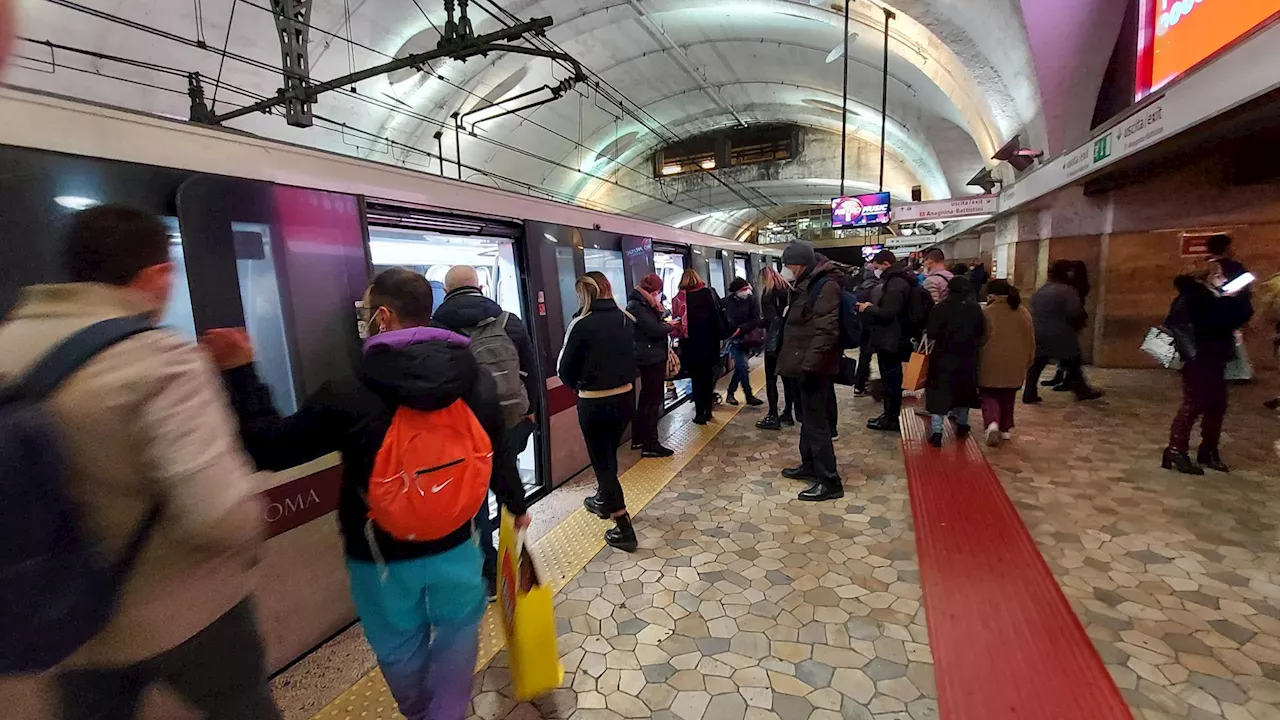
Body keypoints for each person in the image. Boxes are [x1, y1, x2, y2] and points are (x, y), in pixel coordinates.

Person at [211, 267, 530, 720]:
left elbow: (270, 448)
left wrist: (241, 371)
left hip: (379, 555)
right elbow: (496, 449)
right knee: (460, 628)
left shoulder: (349, 390)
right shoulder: (474, 380)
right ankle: (448, 710)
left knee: (399, 645)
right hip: (459, 540)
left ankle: (423, 712)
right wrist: (515, 505)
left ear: (382, 316)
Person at [0, 206, 277, 720]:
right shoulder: (159, 358)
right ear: (156, 274)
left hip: (64, 621)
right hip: (189, 612)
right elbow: (220, 516)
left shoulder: (9, 346)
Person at [430, 264, 539, 599]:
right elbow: (531, 370)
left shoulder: (433, 328)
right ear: (479, 287)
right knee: (505, 477)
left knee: (473, 497)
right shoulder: (509, 321)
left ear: (446, 293)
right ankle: (510, 552)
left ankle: (487, 568)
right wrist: (531, 413)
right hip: (507, 421)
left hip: (461, 432)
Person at [558, 272, 639, 551]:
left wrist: (580, 385)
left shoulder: (580, 323)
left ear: (584, 294)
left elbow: (563, 369)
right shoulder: (627, 319)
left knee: (601, 461)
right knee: (609, 453)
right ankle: (605, 498)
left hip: (594, 401)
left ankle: (623, 525)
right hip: (626, 398)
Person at [1162, 261, 1254, 475]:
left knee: (1216, 404)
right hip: (1200, 357)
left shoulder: (1208, 295)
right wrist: (1235, 299)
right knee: (1194, 404)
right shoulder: (1197, 296)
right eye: (1219, 273)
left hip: (1212, 357)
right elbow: (1224, 320)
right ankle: (1176, 449)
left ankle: (1208, 450)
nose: (1222, 277)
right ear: (1207, 275)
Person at [776, 241, 845, 502]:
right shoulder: (808, 284)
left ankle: (829, 480)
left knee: (817, 424)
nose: (786, 270)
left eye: (788, 265)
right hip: (803, 364)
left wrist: (809, 365)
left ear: (800, 264)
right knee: (807, 419)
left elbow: (826, 331)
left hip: (814, 367)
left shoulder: (824, 286)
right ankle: (810, 464)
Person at [1023, 260, 1105, 404]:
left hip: (1039, 330)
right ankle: (1081, 390)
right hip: (1061, 332)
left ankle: (1029, 392)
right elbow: (1074, 312)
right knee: (1073, 360)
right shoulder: (1067, 291)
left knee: (1037, 363)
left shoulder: (1041, 290)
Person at [858, 250, 917, 432]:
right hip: (893, 338)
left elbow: (889, 313)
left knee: (891, 379)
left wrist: (868, 308)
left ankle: (891, 418)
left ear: (885, 264)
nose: (875, 268)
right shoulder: (899, 281)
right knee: (891, 378)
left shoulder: (895, 284)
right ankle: (889, 415)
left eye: (876, 265)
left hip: (891, 340)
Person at [923, 276, 986, 447]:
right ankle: (962, 425)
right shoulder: (974, 309)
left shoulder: (941, 308)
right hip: (967, 357)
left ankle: (937, 432)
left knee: (939, 394)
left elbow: (932, 333)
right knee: (964, 391)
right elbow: (981, 332)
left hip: (943, 357)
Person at [978, 279, 1035, 447]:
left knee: (988, 394)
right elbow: (1031, 339)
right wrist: (1029, 359)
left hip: (990, 361)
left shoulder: (987, 313)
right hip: (1017, 361)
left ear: (991, 294)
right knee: (1008, 395)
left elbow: (981, 338)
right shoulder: (1023, 312)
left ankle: (992, 423)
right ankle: (1005, 428)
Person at [627, 273, 676, 457]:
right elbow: (654, 329)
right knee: (652, 400)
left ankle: (640, 438)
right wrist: (671, 325)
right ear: (652, 291)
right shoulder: (637, 305)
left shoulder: (643, 303)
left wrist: (660, 312)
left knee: (647, 398)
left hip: (650, 355)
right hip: (650, 357)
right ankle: (650, 443)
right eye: (657, 292)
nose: (658, 295)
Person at [675, 269, 724, 425]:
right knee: (708, 378)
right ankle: (708, 411)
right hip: (709, 343)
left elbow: (677, 324)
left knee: (696, 379)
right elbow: (717, 319)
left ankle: (699, 413)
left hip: (691, 346)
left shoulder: (680, 298)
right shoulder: (708, 293)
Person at [756, 266, 797, 430]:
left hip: (774, 343)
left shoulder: (768, 293)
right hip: (788, 341)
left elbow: (769, 319)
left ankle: (773, 415)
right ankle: (787, 413)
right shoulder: (788, 289)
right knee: (787, 380)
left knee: (771, 380)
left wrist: (757, 323)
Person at [1042, 260, 1092, 390]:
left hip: (1067, 325)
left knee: (1070, 356)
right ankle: (1070, 382)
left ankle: (1070, 382)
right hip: (1064, 324)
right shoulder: (1068, 288)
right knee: (1069, 355)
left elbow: (1074, 310)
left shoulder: (1071, 289)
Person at [722, 277, 764, 407]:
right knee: (743, 367)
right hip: (733, 340)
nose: (746, 291)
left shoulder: (751, 301)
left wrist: (741, 329)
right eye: (743, 289)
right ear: (736, 291)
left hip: (747, 338)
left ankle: (730, 393)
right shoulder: (726, 302)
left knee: (741, 368)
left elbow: (755, 319)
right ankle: (748, 395)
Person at [851, 263, 881, 397]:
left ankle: (859, 385)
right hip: (878, 327)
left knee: (864, 357)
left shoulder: (860, 288)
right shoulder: (880, 288)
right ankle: (880, 389)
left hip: (863, 326)